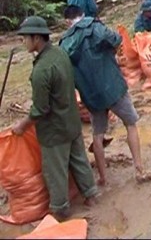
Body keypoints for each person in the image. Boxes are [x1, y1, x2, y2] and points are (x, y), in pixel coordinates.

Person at [12, 16, 98, 221]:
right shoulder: (60, 53)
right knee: (79, 160)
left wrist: (21, 126)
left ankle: (60, 210)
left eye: (25, 38)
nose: (23, 42)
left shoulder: (41, 70)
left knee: (55, 170)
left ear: (36, 39)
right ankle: (91, 196)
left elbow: (40, 109)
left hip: (54, 130)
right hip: (71, 121)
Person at [59, 5, 151, 185]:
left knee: (97, 134)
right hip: (113, 87)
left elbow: (64, 73)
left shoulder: (63, 44)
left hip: (91, 96)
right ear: (83, 15)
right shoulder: (95, 27)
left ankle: (103, 178)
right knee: (130, 123)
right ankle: (139, 169)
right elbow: (116, 39)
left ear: (67, 22)